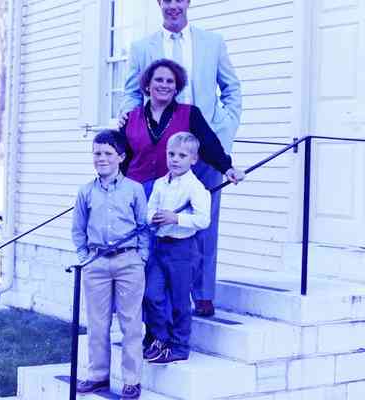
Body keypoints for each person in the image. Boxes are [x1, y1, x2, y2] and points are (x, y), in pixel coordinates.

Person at [120, 0, 242, 317]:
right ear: (159, 3)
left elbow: (231, 89)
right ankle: (160, 298)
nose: (173, 5)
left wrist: (225, 129)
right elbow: (131, 93)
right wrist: (130, 120)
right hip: (162, 150)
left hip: (206, 147)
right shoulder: (142, 48)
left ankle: (203, 293)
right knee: (159, 221)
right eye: (167, 0)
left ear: (187, 2)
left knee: (205, 222)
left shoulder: (212, 43)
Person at [71, 130, 149, 399]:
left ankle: (131, 380)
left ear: (121, 157)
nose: (101, 158)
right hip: (96, 263)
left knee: (131, 323)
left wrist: (141, 257)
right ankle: (97, 375)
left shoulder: (134, 189)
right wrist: (85, 257)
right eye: (97, 153)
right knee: (97, 323)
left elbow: (143, 226)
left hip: (129, 261)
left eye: (107, 153)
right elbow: (78, 229)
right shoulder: (86, 192)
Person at [144, 132, 211, 364]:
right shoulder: (160, 183)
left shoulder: (196, 187)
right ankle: (160, 338)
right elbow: (149, 210)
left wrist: (176, 218)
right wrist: (153, 217)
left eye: (182, 155)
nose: (175, 159)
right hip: (160, 247)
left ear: (193, 159)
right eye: (171, 154)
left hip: (183, 250)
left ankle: (180, 346)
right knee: (151, 295)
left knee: (180, 300)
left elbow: (203, 220)